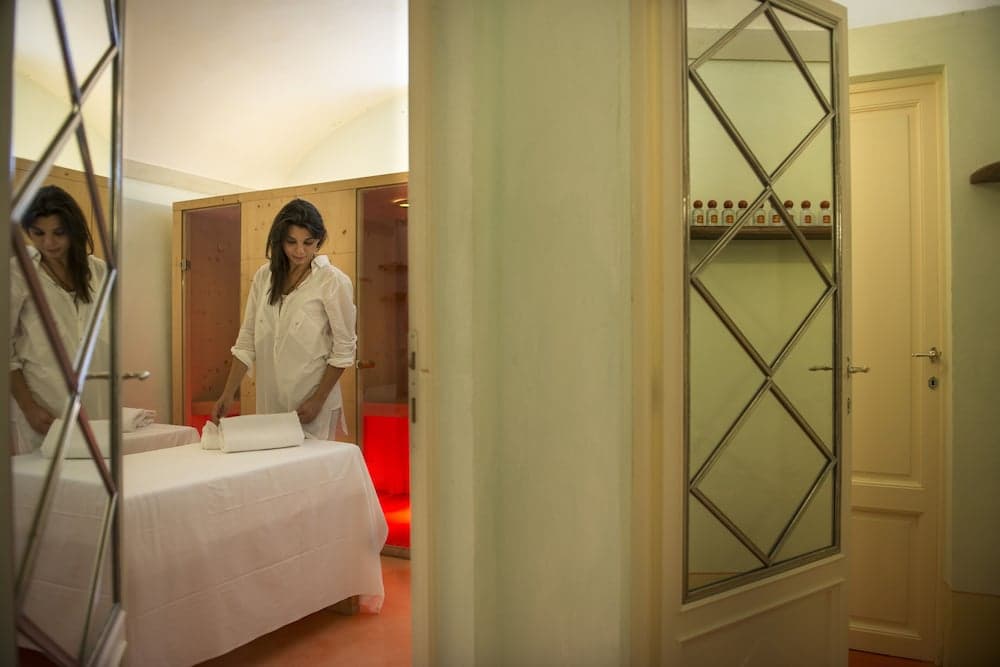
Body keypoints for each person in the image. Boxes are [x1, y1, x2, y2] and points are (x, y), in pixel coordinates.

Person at [211, 198, 356, 440]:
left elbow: (344, 350)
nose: (300, 251)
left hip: (311, 406)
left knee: (309, 464)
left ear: (319, 240)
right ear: (280, 240)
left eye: (308, 242)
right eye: (291, 242)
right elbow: (247, 340)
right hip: (270, 402)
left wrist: (317, 400)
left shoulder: (332, 281)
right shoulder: (264, 277)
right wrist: (228, 394)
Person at [9, 185, 110, 454]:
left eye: (59, 233)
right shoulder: (18, 273)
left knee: (93, 474)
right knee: (45, 476)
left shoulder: (98, 271)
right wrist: (29, 407)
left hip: (95, 403)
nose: (49, 243)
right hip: (43, 409)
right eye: (38, 233)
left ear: (73, 230)